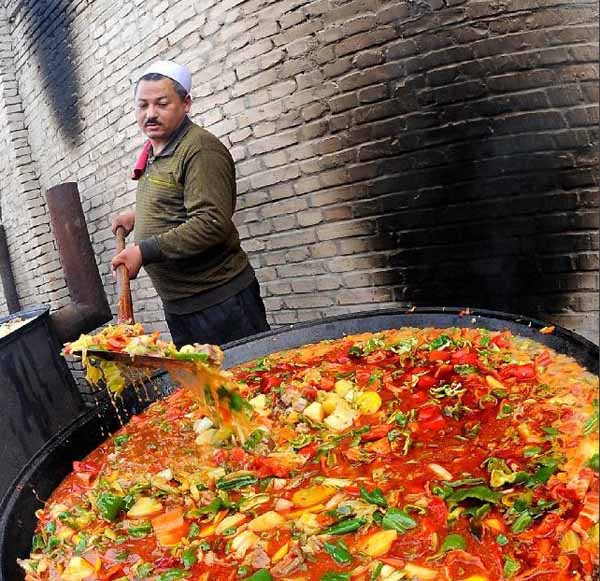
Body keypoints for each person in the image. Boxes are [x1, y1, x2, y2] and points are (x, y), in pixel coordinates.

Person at [111, 60, 270, 347]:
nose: (150, 114)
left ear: (186, 103)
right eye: (142, 105)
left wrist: (144, 251)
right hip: (181, 304)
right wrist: (137, 216)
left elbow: (210, 223)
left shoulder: (200, 150)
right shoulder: (156, 149)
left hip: (219, 301)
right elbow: (178, 197)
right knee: (205, 389)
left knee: (246, 382)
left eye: (161, 104)